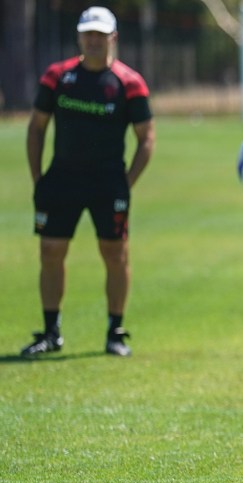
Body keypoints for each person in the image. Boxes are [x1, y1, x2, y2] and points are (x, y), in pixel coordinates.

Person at [21, 6, 155, 358]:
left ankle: (115, 332)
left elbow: (146, 138)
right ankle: (50, 332)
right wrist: (38, 178)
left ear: (113, 38)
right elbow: (36, 128)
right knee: (50, 251)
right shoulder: (57, 77)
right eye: (88, 34)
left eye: (101, 34)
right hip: (61, 179)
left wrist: (126, 182)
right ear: (79, 37)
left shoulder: (129, 83)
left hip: (108, 183)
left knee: (115, 253)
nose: (94, 40)